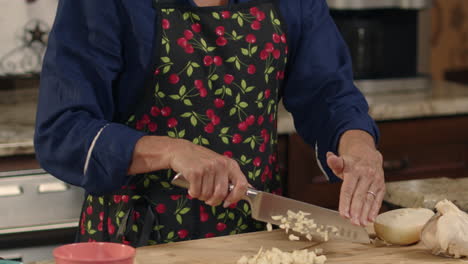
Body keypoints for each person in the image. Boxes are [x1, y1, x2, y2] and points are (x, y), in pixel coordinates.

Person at [35, 0, 385, 246]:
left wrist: (357, 146)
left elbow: (328, 94)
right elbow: (62, 130)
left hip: (256, 240)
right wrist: (172, 151)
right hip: (136, 240)